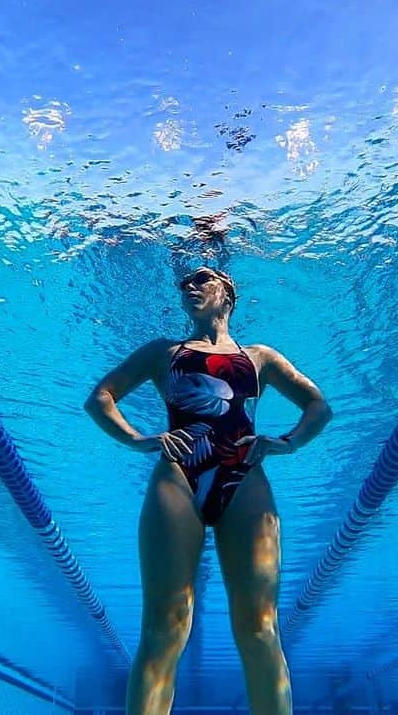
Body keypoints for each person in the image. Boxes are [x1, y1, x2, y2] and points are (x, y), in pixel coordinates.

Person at [84, 266, 333, 715]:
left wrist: (287, 443)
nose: (190, 287)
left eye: (201, 279)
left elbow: (318, 406)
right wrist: (139, 440)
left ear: (228, 293)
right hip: (178, 476)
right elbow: (100, 398)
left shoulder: (260, 358)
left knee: (260, 629)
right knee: (164, 627)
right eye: (185, 284)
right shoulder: (164, 352)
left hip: (245, 479)